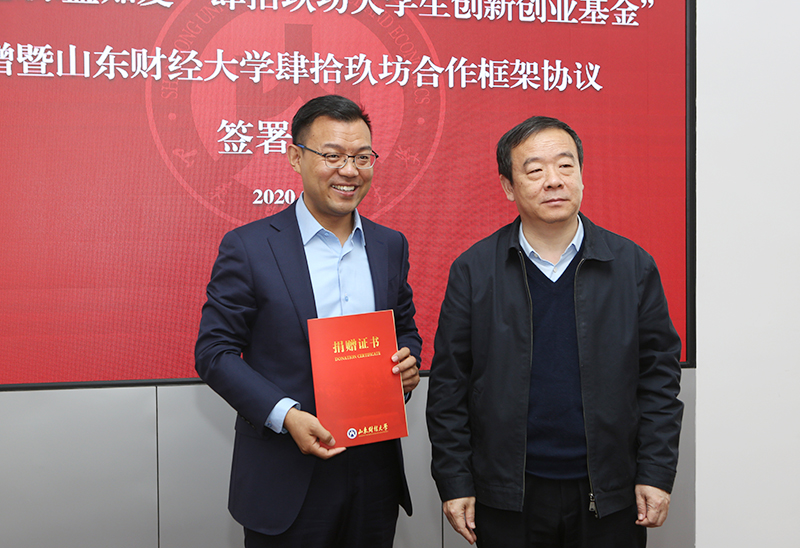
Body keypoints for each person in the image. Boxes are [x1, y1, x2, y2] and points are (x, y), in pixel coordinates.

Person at [425, 116, 683, 548]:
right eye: (534, 170)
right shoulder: (474, 270)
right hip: (508, 495)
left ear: (581, 175)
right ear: (508, 186)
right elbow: (449, 387)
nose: (554, 181)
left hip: (610, 492)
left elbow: (658, 379)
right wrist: (455, 481)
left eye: (566, 166)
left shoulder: (632, 266)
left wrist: (655, 472)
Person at [196, 94, 422, 548]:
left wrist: (408, 363)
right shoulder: (250, 246)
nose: (349, 170)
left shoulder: (389, 245)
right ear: (295, 157)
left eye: (362, 157)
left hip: (374, 473)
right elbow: (214, 353)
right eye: (332, 156)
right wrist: (287, 416)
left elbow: (405, 328)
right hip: (286, 472)